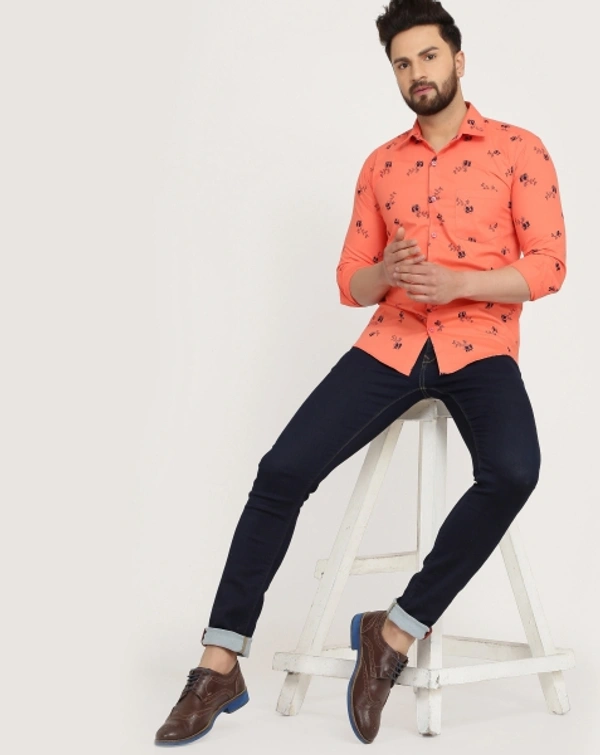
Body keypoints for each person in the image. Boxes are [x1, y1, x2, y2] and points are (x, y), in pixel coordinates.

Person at [154, 0, 566, 746]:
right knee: (281, 471)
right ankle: (219, 662)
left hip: (478, 345)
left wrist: (458, 282)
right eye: (403, 64)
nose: (417, 74)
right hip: (392, 344)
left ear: (458, 59)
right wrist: (387, 273)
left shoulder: (519, 148)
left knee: (514, 470)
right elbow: (351, 278)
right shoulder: (382, 164)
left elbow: (548, 265)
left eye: (428, 57)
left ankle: (394, 629)